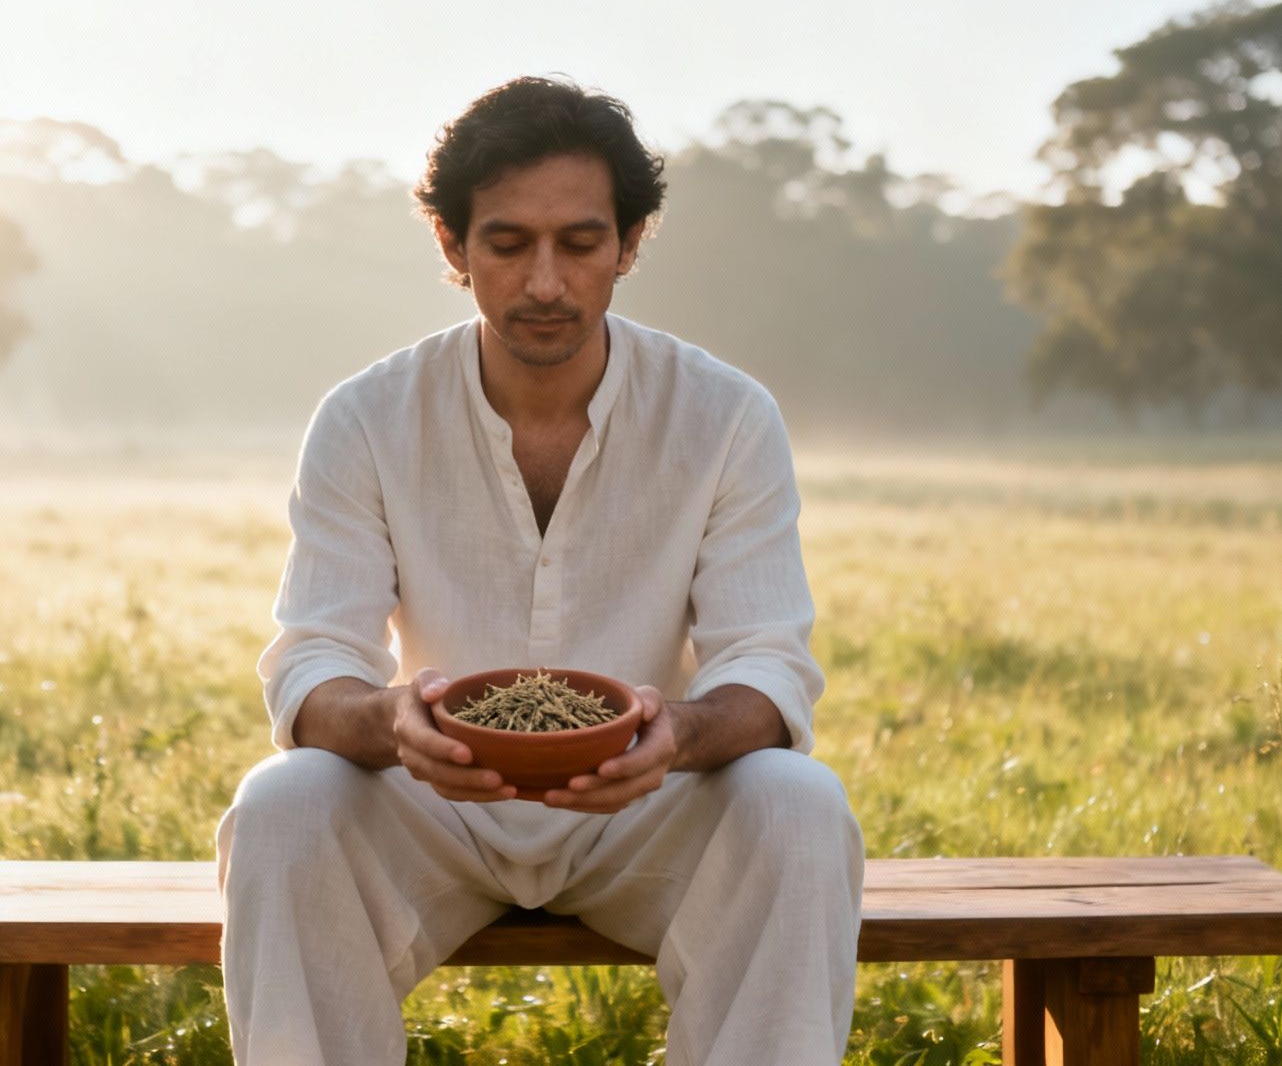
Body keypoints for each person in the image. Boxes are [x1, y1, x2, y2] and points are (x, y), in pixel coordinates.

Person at [215, 76, 863, 1065]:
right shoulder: (364, 418)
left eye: (580, 242)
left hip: (644, 806)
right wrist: (392, 721)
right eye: (507, 243)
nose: (545, 283)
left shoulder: (725, 415)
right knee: (280, 803)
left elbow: (766, 669)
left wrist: (675, 733)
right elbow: (311, 671)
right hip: (436, 807)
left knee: (799, 802)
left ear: (628, 245)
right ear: (453, 248)